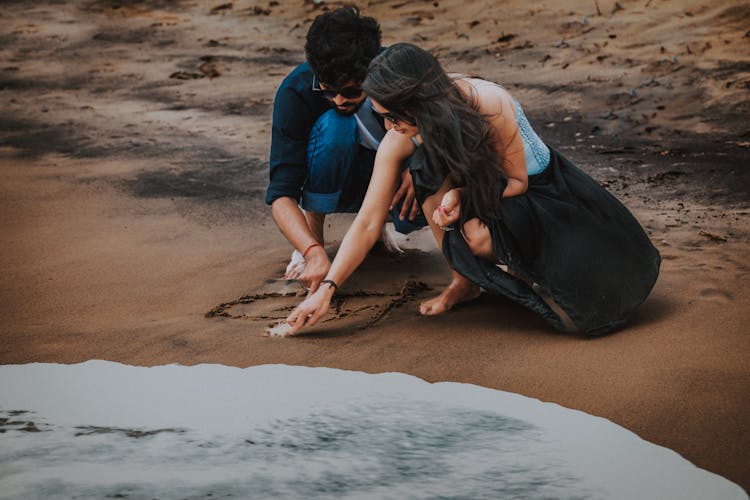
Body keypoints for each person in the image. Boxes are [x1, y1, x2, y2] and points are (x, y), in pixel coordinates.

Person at [285, 43, 661, 336]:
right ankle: (463, 283)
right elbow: (368, 222)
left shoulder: (487, 102)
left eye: (392, 116)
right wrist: (328, 289)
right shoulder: (398, 134)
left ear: (419, 105)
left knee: (480, 238)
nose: (387, 127)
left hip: (543, 193)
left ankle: (535, 271)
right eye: (381, 116)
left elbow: (518, 182)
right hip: (486, 190)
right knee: (425, 171)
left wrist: (462, 197)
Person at [266, 8, 425, 293]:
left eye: (351, 91)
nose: (339, 99)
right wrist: (311, 250)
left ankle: (377, 230)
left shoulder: (402, 72)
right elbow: (280, 196)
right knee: (336, 125)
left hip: (396, 182)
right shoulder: (295, 91)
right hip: (332, 178)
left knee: (431, 186)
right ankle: (314, 240)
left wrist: (425, 163)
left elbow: (451, 123)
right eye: (328, 91)